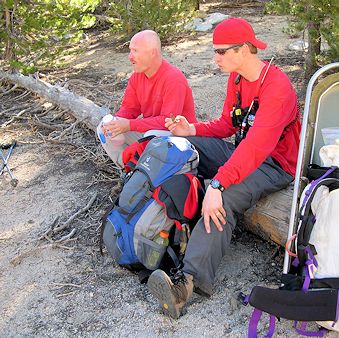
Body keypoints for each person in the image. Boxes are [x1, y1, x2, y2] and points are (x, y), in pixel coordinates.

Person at [147, 17, 301, 319]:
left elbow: (256, 147)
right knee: (184, 149)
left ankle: (187, 284)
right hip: (243, 152)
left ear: (243, 49)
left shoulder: (277, 87)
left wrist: (217, 185)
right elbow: (227, 125)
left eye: (221, 52)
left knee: (225, 197)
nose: (215, 58)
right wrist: (191, 130)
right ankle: (166, 228)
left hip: (274, 164)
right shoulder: (238, 79)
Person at [97, 30, 197, 167]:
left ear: (153, 53)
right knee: (103, 127)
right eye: (130, 51)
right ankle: (130, 173)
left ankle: (152, 178)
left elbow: (168, 121)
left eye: (135, 51)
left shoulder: (173, 78)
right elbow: (130, 108)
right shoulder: (137, 76)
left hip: (181, 140)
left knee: (151, 136)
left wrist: (129, 125)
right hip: (152, 134)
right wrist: (115, 123)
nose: (130, 56)